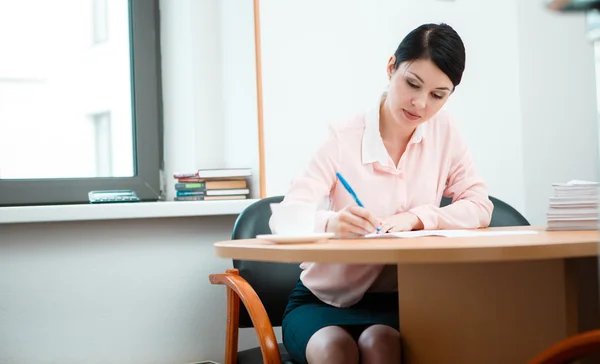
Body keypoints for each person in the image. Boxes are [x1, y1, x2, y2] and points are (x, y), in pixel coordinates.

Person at [269, 23, 494, 364]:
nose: (420, 104)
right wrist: (332, 224)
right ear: (391, 68)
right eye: (412, 84)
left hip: (402, 304)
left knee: (381, 345)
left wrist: (418, 217)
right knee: (335, 351)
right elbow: (285, 219)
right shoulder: (344, 136)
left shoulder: (444, 131)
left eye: (438, 95)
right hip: (321, 302)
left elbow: (479, 205)